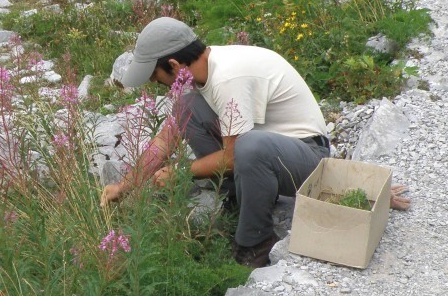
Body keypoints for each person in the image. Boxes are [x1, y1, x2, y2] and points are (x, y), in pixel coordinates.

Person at [101, 17, 409, 267]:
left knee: (247, 148)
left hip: (306, 155)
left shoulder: (228, 77)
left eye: (156, 76)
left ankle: (255, 242)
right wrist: (124, 185)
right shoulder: (203, 71)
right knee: (186, 109)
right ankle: (242, 196)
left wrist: (181, 171)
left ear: (173, 64)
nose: (156, 84)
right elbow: (164, 141)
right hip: (271, 153)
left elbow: (234, 155)